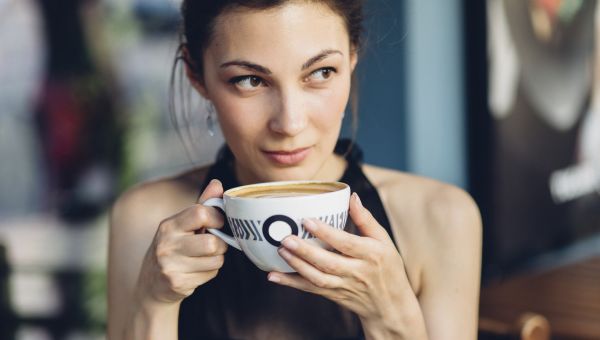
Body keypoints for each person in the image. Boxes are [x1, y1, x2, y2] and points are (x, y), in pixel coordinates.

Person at [107, 1, 482, 339]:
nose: (289, 123)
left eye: (320, 73)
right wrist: (153, 302)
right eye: (250, 80)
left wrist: (391, 318)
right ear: (196, 75)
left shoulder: (440, 218)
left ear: (352, 58)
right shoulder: (147, 219)